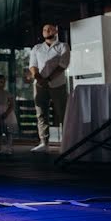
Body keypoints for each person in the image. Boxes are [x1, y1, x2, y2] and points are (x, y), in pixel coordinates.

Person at [29, 23, 70, 152]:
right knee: (41, 113)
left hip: (58, 84)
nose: (46, 31)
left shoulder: (63, 46)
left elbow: (63, 65)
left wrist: (49, 79)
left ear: (56, 31)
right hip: (40, 85)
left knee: (63, 113)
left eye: (49, 29)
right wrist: (39, 78)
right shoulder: (36, 48)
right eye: (44, 29)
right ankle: (44, 143)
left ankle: (67, 142)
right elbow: (32, 65)